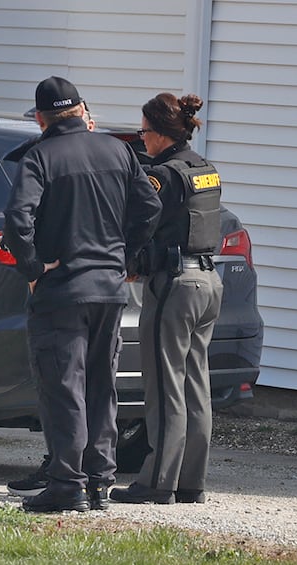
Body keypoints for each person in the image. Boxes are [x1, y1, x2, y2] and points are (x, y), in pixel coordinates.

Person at [3, 77, 161, 513]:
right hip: (109, 290)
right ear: (81, 111)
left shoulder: (39, 157)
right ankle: (99, 482)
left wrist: (33, 267)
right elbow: (150, 208)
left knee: (63, 387)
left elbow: (17, 219)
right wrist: (126, 258)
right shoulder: (117, 150)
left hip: (63, 291)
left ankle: (67, 484)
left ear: (40, 118)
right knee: (100, 386)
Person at [110, 93, 224, 505]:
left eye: (143, 132)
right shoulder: (204, 169)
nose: (141, 140)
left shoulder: (164, 175)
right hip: (208, 283)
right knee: (196, 385)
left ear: (159, 133)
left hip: (175, 286)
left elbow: (141, 221)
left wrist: (129, 259)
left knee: (164, 385)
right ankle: (190, 482)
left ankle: (158, 482)